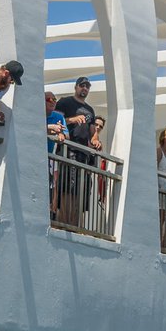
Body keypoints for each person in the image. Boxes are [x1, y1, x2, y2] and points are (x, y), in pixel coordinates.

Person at [55, 77, 97, 225]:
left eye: (87, 86)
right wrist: (73, 119)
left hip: (83, 154)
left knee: (81, 190)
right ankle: (64, 224)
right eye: (82, 85)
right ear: (76, 87)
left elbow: (93, 132)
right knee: (68, 188)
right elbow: (55, 121)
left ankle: (75, 225)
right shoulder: (65, 102)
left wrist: (96, 140)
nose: (84, 88)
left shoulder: (90, 110)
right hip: (68, 149)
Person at [45, 91, 68, 219]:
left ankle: (50, 214)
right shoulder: (36, 113)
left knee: (50, 185)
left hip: (49, 157)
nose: (53, 101)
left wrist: (62, 134)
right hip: (36, 155)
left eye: (55, 99)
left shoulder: (58, 117)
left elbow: (67, 134)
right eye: (50, 99)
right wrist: (50, 127)